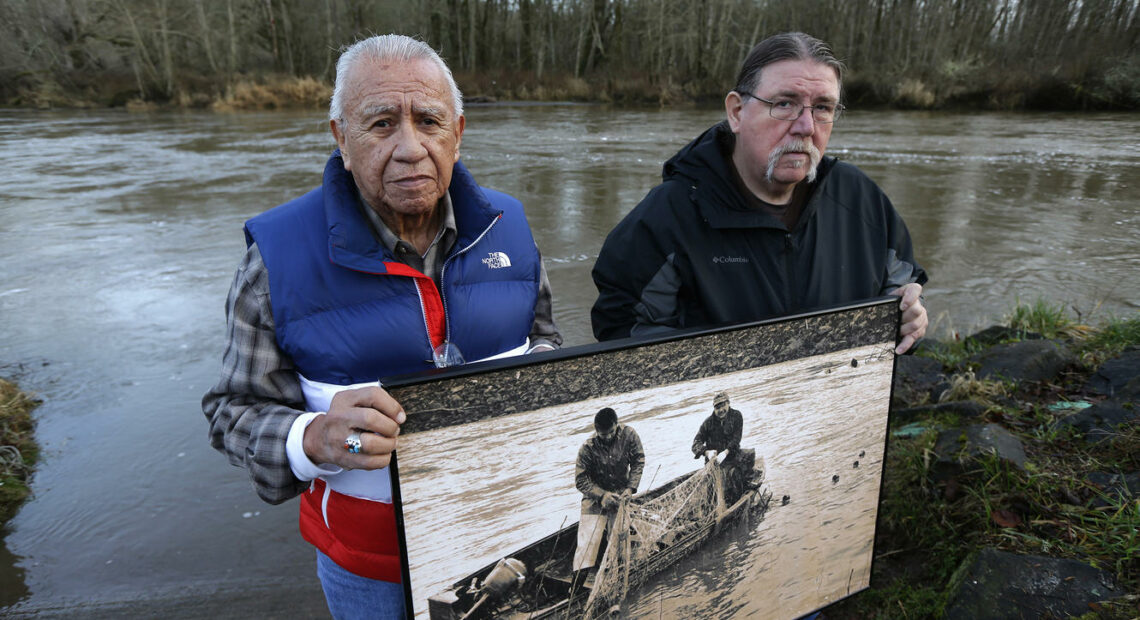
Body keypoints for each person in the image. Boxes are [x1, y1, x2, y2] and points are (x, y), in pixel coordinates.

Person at [201, 34, 561, 619]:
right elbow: (232, 412)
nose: (411, 147)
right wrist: (314, 439)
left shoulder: (510, 228)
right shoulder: (277, 257)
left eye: (428, 121)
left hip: (506, 540)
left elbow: (547, 344)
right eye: (381, 124)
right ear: (341, 139)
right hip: (371, 570)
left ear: (459, 133)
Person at [591, 32, 927, 355]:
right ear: (736, 112)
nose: (806, 127)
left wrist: (909, 319)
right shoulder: (668, 217)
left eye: (823, 107)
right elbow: (627, 337)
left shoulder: (861, 200)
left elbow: (901, 293)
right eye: (784, 103)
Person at [572, 407, 645, 584]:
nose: (607, 437)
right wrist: (602, 496)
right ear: (596, 430)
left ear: (616, 425)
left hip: (621, 493)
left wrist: (631, 488)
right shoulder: (587, 448)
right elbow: (581, 480)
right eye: (602, 434)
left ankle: (617, 575)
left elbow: (638, 461)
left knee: (619, 537)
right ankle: (576, 586)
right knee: (587, 543)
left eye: (611, 432)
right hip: (595, 496)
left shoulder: (629, 435)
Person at [691, 392, 743, 463]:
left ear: (728, 403)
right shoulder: (708, 423)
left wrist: (726, 452)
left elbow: (737, 439)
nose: (721, 410)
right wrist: (707, 452)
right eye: (717, 408)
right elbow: (696, 444)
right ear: (714, 408)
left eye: (723, 405)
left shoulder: (736, 416)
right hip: (714, 461)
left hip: (732, 456)